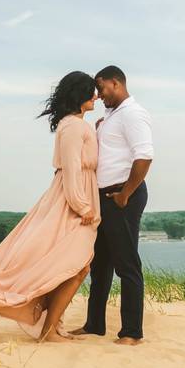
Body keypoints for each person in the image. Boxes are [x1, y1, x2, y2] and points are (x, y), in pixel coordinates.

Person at [0, 71, 101, 343]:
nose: (96, 96)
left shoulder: (78, 125)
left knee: (71, 265)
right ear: (80, 95)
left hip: (77, 194)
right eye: (91, 91)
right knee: (76, 265)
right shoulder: (74, 126)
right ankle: (48, 329)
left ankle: (53, 326)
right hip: (72, 201)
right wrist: (82, 206)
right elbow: (70, 168)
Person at [73, 65, 153, 345]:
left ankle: (132, 332)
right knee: (101, 265)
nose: (98, 94)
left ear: (116, 84)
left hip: (122, 197)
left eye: (102, 87)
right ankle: (94, 325)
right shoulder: (111, 115)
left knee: (126, 265)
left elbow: (144, 156)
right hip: (104, 197)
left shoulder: (133, 114)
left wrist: (125, 194)